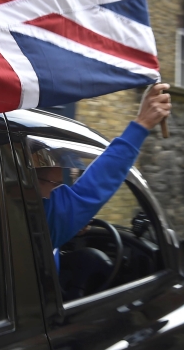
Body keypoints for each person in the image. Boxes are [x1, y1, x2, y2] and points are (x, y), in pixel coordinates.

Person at [36, 84, 172, 249]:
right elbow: (94, 185)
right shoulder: (41, 219)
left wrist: (70, 227)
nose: (59, 192)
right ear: (28, 182)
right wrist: (142, 124)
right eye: (55, 185)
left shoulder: (10, 220)